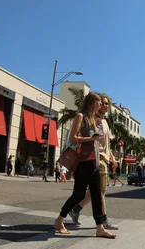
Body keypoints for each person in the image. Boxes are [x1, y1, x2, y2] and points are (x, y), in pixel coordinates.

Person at [54, 92, 116, 239]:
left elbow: (98, 140)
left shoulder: (94, 120)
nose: (101, 105)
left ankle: (100, 228)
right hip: (83, 162)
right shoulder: (80, 117)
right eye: (99, 103)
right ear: (92, 103)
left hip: (94, 161)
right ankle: (59, 220)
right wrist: (91, 138)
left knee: (96, 195)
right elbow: (73, 138)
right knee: (79, 194)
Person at [68, 93, 119, 230]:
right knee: (100, 190)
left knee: (97, 190)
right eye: (102, 102)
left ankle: (76, 209)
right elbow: (81, 138)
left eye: (107, 103)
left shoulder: (105, 121)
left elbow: (106, 144)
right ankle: (103, 219)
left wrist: (113, 159)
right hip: (97, 157)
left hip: (105, 157)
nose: (105, 105)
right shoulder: (92, 120)